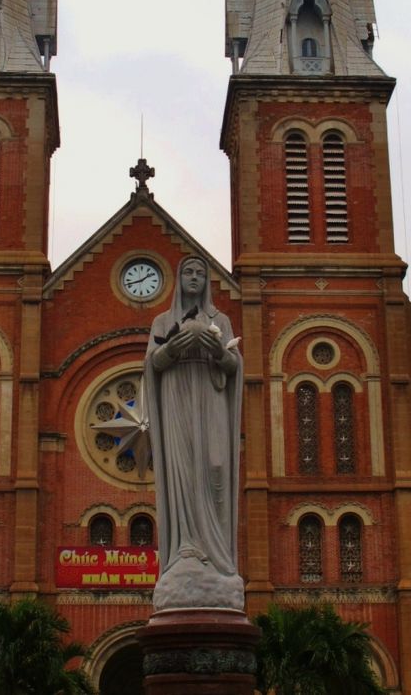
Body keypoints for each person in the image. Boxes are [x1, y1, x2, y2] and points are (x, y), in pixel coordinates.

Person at [144, 255, 244, 610]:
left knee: (216, 467)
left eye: (201, 273)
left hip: (211, 401)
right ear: (178, 278)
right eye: (187, 272)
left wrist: (217, 347)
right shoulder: (162, 320)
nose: (194, 278)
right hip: (178, 402)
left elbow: (234, 365)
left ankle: (215, 555)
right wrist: (174, 346)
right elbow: (153, 363)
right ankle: (187, 546)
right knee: (184, 473)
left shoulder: (222, 320)